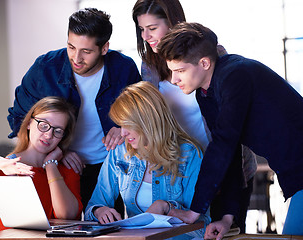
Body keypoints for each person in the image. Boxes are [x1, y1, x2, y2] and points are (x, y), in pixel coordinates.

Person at [158, 22, 303, 238]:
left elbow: (222, 146)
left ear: (204, 62)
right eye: (172, 71)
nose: (174, 79)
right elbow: (231, 151)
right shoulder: (205, 93)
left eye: (180, 71)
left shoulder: (235, 74)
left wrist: (194, 212)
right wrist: (227, 215)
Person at [132, 0, 256, 234]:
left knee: (225, 231)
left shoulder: (210, 55)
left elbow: (229, 128)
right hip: (184, 175)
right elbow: (149, 117)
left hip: (224, 165)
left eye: (152, 27)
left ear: (173, 22)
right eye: (141, 29)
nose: (146, 36)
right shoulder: (149, 66)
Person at [7, 8, 141, 213]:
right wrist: (57, 151)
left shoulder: (124, 68)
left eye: (86, 51)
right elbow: (18, 118)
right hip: (59, 166)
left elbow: (143, 115)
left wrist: (125, 126)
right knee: (60, 227)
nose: (76, 58)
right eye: (71, 47)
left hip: (108, 169)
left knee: (108, 228)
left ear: (104, 48)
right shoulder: (45, 68)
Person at [85, 81, 210, 239]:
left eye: (127, 125)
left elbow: (200, 222)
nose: (122, 133)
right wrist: (100, 210)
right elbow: (93, 206)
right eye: (120, 125)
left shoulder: (190, 154)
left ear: (147, 122)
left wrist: (166, 207)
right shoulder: (119, 151)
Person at [0, 96, 83, 234]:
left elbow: (66, 215)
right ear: (28, 123)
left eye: (57, 131)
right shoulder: (4, 167)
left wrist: (51, 165)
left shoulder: (66, 169)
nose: (48, 135)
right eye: (43, 125)